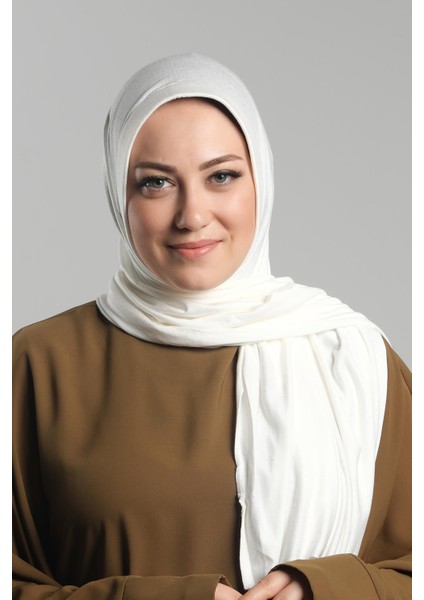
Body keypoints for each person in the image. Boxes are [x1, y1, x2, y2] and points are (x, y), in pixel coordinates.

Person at [12, 53, 411, 600]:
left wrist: (320, 589)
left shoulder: (353, 357)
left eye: (221, 176)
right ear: (117, 194)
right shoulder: (38, 365)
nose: (192, 216)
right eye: (156, 183)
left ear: (261, 179)